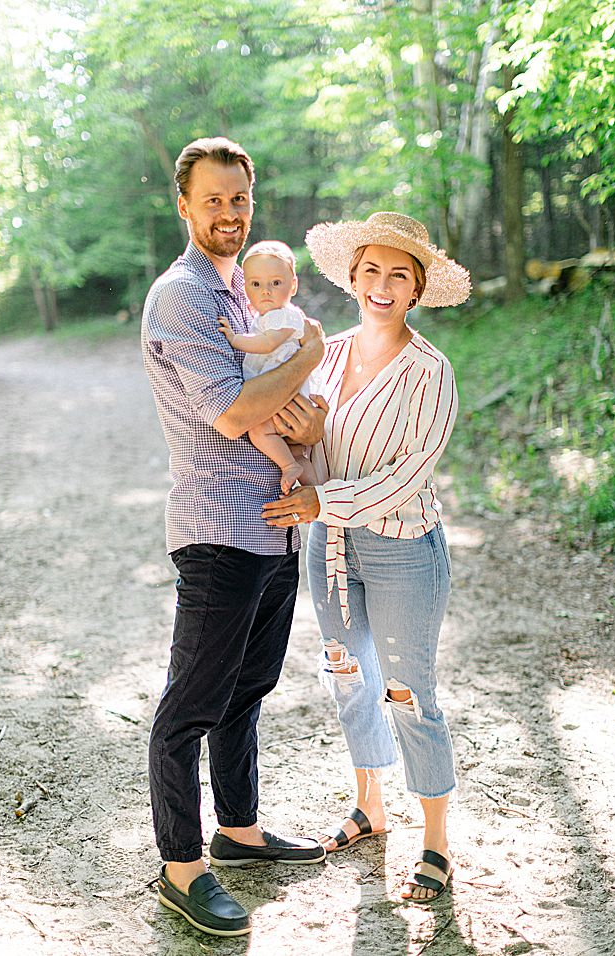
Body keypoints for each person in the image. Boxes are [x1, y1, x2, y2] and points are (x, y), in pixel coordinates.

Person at [141, 136, 330, 938]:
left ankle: (240, 831)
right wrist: (314, 352)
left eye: (240, 199)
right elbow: (235, 413)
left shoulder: (245, 295)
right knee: (192, 704)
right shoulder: (182, 295)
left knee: (246, 693)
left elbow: (285, 410)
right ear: (184, 206)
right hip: (218, 529)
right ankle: (182, 868)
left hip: (273, 528)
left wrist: (313, 431)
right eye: (213, 199)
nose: (229, 213)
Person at [262, 211, 469, 904]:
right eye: (371, 270)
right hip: (331, 547)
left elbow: (407, 475)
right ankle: (370, 807)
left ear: (416, 290)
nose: (383, 284)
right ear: (353, 278)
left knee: (408, 692)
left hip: (404, 547)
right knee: (349, 676)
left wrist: (323, 501)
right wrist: (301, 460)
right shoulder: (324, 355)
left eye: (398, 275)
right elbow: (308, 447)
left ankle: (435, 840)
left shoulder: (429, 371)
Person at [218, 239, 322, 493]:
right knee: (297, 451)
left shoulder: (283, 315)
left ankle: (288, 467)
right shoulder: (267, 316)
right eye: (256, 284)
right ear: (245, 288)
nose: (266, 291)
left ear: (293, 285)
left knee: (259, 431)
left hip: (285, 396)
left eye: (275, 283)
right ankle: (319, 493)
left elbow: (267, 343)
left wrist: (234, 339)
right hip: (288, 395)